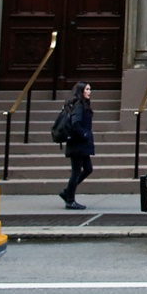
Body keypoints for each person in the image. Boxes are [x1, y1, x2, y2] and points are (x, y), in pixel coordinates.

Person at [59, 82, 95, 210]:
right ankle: (70, 200)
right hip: (77, 144)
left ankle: (67, 192)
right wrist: (85, 134)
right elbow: (75, 124)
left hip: (81, 144)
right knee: (76, 171)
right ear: (81, 91)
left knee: (88, 168)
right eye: (87, 89)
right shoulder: (79, 105)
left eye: (90, 89)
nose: (89, 92)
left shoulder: (82, 105)